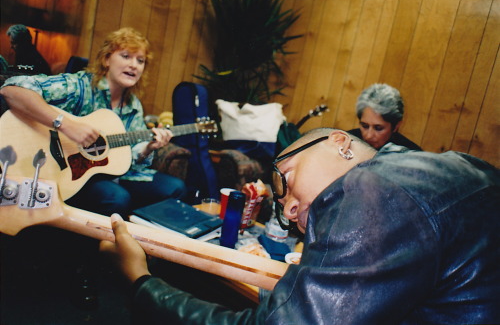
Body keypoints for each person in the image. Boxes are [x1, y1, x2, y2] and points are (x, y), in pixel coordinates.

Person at [100, 127, 499, 324]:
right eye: (283, 204)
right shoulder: (455, 166)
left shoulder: (370, 184)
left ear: (340, 143)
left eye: (286, 180)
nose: (289, 210)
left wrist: (141, 282)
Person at [0, 27, 186, 217]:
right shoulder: (79, 85)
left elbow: (130, 157)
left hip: (103, 174)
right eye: (126, 56)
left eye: (140, 61)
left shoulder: (133, 105)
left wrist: (149, 147)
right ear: (106, 59)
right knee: (117, 197)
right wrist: (66, 125)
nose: (134, 65)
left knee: (176, 188)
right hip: (62, 171)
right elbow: (12, 90)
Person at [348, 83, 422, 151]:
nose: (369, 136)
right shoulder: (346, 140)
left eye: (378, 128)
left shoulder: (411, 155)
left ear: (396, 126)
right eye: (365, 126)